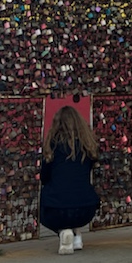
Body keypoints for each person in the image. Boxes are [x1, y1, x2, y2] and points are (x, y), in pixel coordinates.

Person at [39, 105, 100, 255]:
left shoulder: (52, 146)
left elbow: (44, 177)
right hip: (86, 209)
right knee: (74, 193)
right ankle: (76, 235)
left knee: (45, 208)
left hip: (56, 210)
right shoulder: (88, 147)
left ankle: (63, 232)